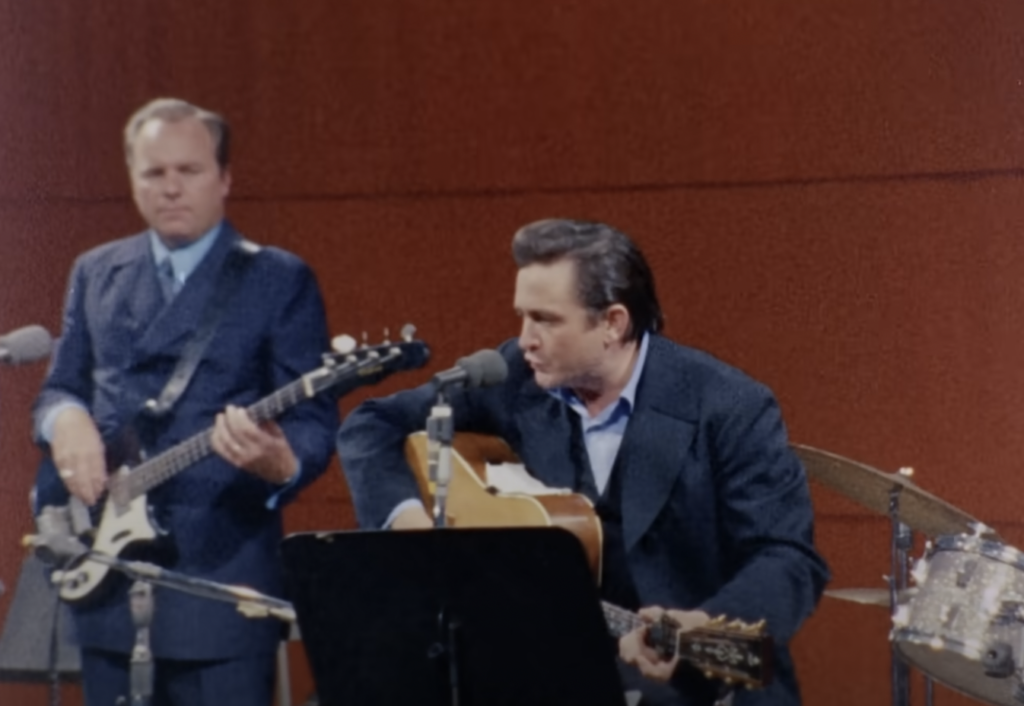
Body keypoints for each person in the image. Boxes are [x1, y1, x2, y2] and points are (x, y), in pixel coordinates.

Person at [337, 218, 829, 705]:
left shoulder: (727, 406)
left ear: (612, 323)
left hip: (698, 680)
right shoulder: (516, 378)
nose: (525, 338)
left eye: (546, 320)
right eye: (522, 316)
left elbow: (787, 556)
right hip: (557, 669)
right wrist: (409, 521)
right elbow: (370, 427)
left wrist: (706, 624)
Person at [32, 98, 339, 706]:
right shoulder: (95, 271)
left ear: (224, 179)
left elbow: (312, 421)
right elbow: (61, 384)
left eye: (188, 171)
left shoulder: (279, 279)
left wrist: (281, 463)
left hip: (218, 584)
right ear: (133, 180)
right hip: (106, 578)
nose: (171, 188)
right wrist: (63, 419)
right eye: (154, 173)